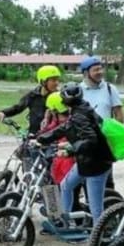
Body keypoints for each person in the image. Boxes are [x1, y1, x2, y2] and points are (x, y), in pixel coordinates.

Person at [35, 82, 113, 230]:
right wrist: (41, 138)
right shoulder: (81, 109)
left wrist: (70, 149)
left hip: (96, 165)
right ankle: (66, 221)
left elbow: (91, 141)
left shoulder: (79, 115)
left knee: (96, 209)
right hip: (86, 162)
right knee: (65, 186)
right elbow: (66, 128)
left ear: (64, 101)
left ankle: (98, 244)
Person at [0, 65, 61, 134]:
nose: (57, 83)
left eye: (57, 80)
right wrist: (4, 112)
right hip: (33, 134)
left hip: (52, 136)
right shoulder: (32, 95)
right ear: (43, 81)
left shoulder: (59, 97)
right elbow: (18, 107)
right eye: (53, 80)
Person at [79, 56, 124, 122]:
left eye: (100, 69)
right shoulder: (78, 90)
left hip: (105, 132)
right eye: (96, 70)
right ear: (86, 73)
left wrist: (119, 131)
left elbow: (118, 114)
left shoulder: (110, 89)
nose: (100, 72)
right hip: (83, 131)